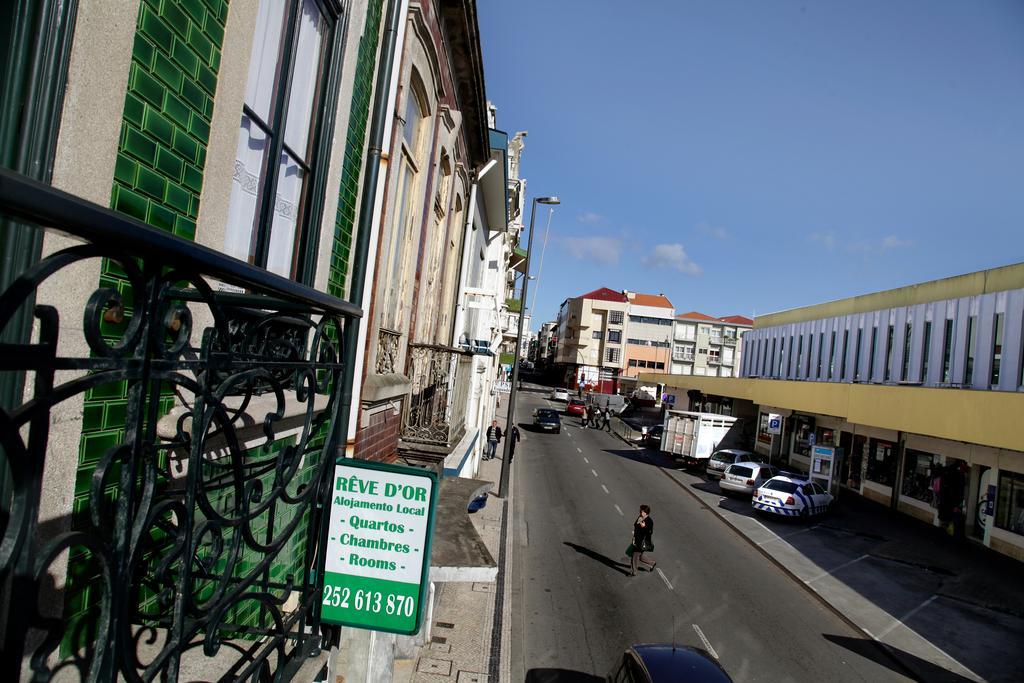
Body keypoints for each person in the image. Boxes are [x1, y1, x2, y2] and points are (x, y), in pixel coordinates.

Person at [629, 504, 656, 577]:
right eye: (640, 510)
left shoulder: (649, 521)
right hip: (637, 540)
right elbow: (635, 525)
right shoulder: (640, 517)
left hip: (642, 542)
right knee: (640, 557)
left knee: (634, 555)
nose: (640, 511)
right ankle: (652, 563)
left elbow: (650, 532)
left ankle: (634, 572)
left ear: (645, 512)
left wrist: (644, 527)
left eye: (641, 511)